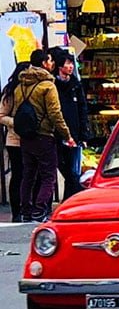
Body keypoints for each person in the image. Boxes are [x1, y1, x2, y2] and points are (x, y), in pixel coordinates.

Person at [14, 50, 75, 223]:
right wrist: (67, 135)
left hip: (26, 136)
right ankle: (39, 210)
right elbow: (55, 114)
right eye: (49, 61)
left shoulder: (21, 85)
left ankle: (26, 210)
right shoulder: (47, 86)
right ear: (43, 64)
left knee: (28, 174)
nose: (52, 63)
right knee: (49, 175)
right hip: (44, 135)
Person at [52, 49, 88, 199]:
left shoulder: (76, 85)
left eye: (71, 63)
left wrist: (84, 134)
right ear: (60, 66)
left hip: (74, 134)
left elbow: (82, 109)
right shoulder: (52, 85)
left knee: (73, 172)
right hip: (56, 135)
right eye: (68, 64)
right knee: (64, 169)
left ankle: (69, 201)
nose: (71, 67)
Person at [0, 62, 30, 221]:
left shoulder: (32, 90)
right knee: (18, 174)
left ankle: (26, 208)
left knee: (29, 174)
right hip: (14, 139)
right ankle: (16, 211)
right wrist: (16, 123)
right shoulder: (10, 91)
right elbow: (1, 115)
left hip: (31, 139)